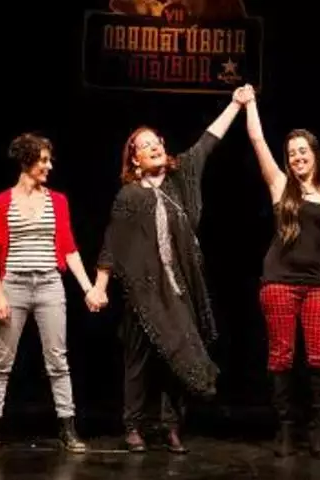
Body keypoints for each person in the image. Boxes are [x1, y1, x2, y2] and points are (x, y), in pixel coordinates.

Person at [85, 90, 246, 453]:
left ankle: (171, 427)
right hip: (142, 293)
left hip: (178, 289)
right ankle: (134, 426)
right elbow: (112, 243)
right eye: (145, 145)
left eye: (156, 141)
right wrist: (99, 286)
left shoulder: (180, 177)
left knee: (176, 358)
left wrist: (235, 105)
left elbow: (208, 141)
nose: (154, 146)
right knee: (139, 362)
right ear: (135, 159)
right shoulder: (129, 196)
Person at [0, 132, 105, 453]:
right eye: (44, 160)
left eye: (49, 160)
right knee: (1, 360)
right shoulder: (2, 202)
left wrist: (88, 288)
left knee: (57, 360)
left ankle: (67, 426)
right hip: (13, 286)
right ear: (27, 161)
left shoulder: (57, 201)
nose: (49, 166)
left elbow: (69, 248)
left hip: (49, 285)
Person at [239, 85, 320, 458]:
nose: (297, 157)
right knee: (281, 355)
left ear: (314, 154)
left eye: (303, 151)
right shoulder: (280, 185)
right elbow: (257, 140)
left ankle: (316, 429)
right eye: (292, 153)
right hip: (279, 283)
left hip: (319, 285)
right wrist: (250, 104)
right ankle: (285, 428)